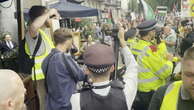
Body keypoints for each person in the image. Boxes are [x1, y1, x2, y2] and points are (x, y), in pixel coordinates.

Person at [71, 28, 138, 110]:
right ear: (112, 68)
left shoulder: (76, 100)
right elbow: (133, 67)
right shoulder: (125, 92)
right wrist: (122, 41)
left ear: (86, 70)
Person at [132, 20, 173, 110]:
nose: (155, 32)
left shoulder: (135, 44)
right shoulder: (148, 50)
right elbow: (164, 72)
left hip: (138, 89)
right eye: (154, 31)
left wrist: (160, 44)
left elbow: (158, 56)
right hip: (149, 92)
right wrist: (169, 61)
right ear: (150, 32)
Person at [25, 5, 60, 110]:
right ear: (42, 17)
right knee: (45, 105)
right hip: (41, 79)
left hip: (49, 76)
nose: (50, 18)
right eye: (48, 16)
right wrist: (48, 13)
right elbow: (34, 27)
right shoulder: (32, 34)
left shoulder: (43, 34)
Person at [42, 28, 86, 110]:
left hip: (51, 105)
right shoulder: (64, 57)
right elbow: (81, 75)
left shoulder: (46, 60)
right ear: (68, 41)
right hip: (65, 105)